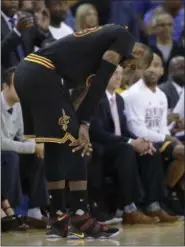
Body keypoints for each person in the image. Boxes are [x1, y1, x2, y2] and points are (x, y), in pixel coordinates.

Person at [14, 24, 154, 239]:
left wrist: (76, 121)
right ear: (139, 52)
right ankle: (81, 218)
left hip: (27, 73)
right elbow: (100, 83)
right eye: (134, 66)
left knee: (57, 143)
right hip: (43, 74)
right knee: (77, 143)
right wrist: (84, 125)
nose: (128, 69)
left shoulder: (96, 50)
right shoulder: (123, 37)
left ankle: (58, 219)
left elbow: (82, 90)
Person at [90, 65, 178, 224]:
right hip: (102, 149)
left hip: (119, 146)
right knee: (126, 150)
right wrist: (130, 142)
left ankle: (152, 205)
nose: (117, 77)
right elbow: (96, 132)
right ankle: (129, 209)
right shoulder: (94, 98)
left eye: (120, 74)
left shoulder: (119, 99)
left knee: (150, 149)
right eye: (113, 73)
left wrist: (142, 141)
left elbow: (124, 130)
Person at [123, 53, 185, 215]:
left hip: (158, 139)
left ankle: (165, 192)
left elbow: (162, 127)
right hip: (139, 140)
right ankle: (158, 199)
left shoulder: (161, 95)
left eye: (157, 65)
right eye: (148, 65)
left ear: (163, 70)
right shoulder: (134, 94)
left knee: (181, 152)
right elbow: (137, 130)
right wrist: (168, 138)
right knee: (174, 151)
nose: (152, 69)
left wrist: (169, 136)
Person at [1, 67, 48, 227]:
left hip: (10, 153)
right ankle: (10, 208)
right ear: (5, 87)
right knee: (11, 156)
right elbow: (1, 143)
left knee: (38, 156)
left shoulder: (20, 106)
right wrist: (32, 148)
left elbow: (24, 136)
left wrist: (38, 146)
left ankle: (34, 209)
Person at [1, 0, 50, 69]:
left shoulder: (28, 17)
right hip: (6, 76)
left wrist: (44, 31)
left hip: (27, 74)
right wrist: (17, 32)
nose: (13, 1)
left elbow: (42, 43)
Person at [150, 12, 184, 82]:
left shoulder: (181, 49)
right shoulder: (148, 49)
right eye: (162, 25)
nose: (166, 28)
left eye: (170, 25)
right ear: (154, 28)